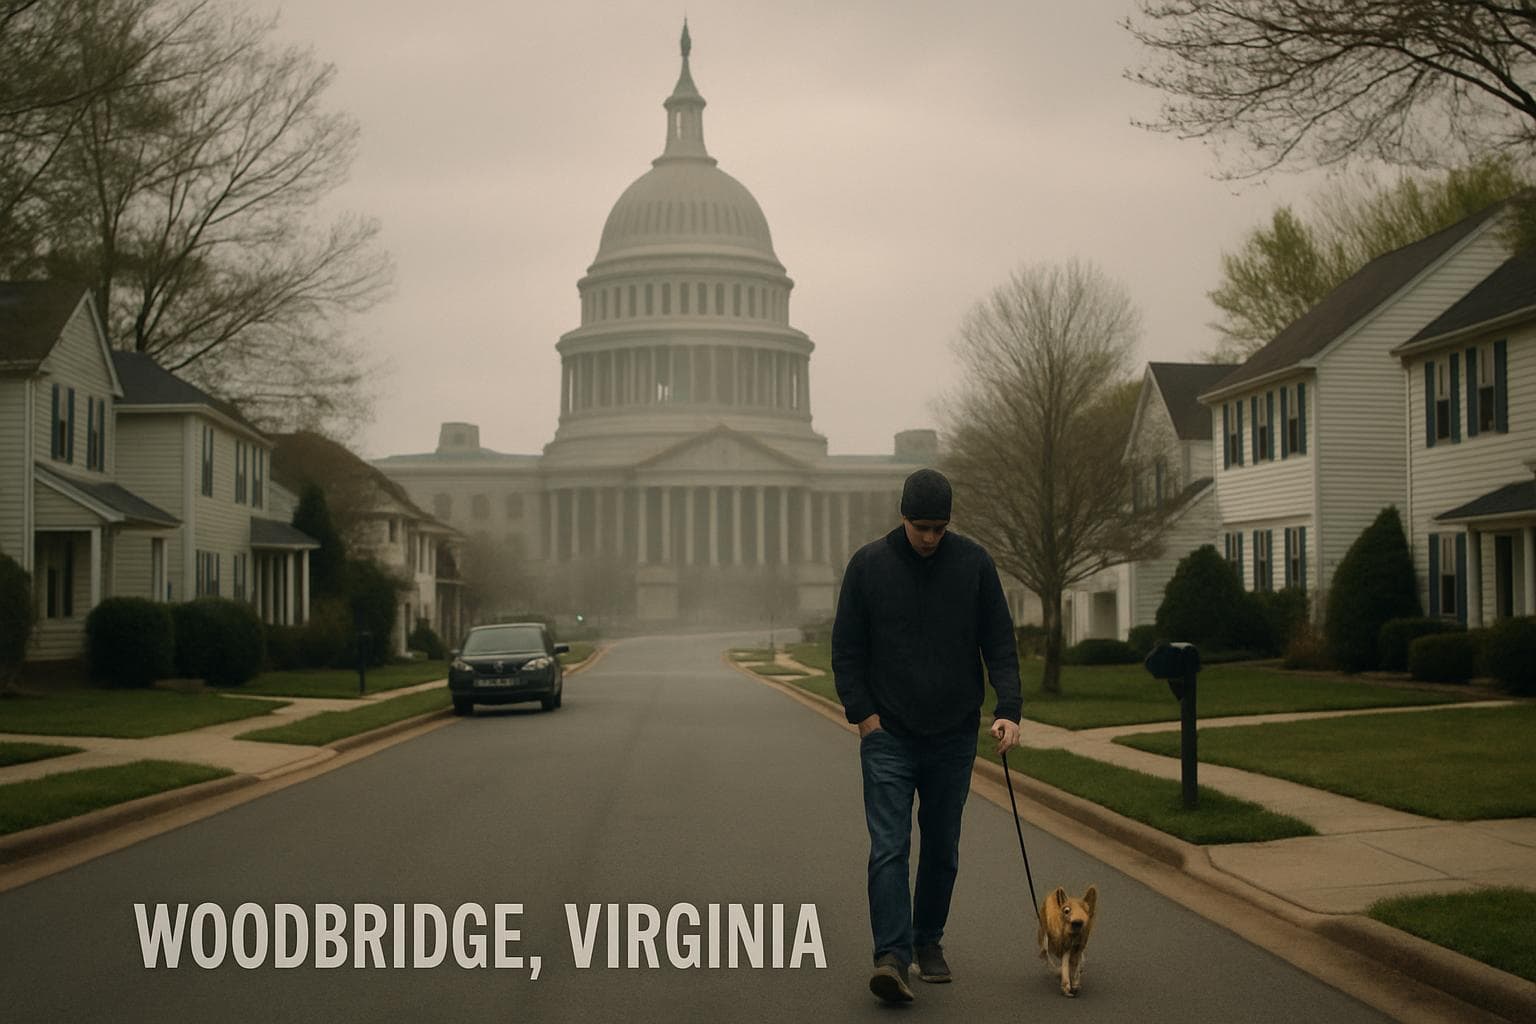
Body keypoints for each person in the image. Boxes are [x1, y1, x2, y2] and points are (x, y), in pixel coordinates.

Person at [831, 466, 1022, 1004]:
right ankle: (891, 956)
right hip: (888, 733)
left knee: (943, 848)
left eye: (940, 528)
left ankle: (927, 940)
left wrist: (1007, 707)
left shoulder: (974, 565)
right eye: (923, 528)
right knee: (889, 847)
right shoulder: (868, 566)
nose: (932, 538)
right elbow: (846, 650)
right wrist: (863, 717)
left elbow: (999, 643)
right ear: (903, 518)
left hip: (953, 734)